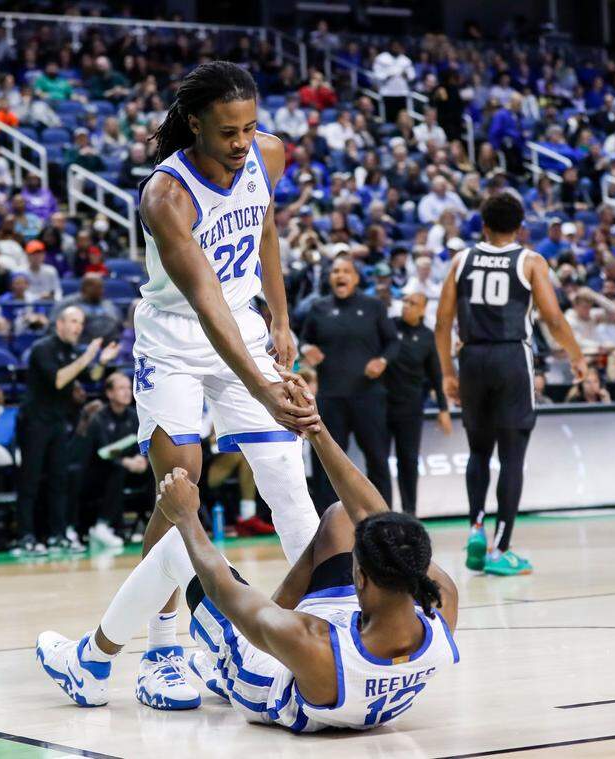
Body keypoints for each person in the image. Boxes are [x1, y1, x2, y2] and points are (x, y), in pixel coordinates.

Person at [36, 373, 459, 731]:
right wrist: (315, 427)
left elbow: (224, 588)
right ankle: (222, 642)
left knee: (175, 547)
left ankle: (90, 661)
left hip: (267, 676)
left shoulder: (312, 646)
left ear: (360, 578)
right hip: (340, 638)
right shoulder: (441, 610)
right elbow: (371, 515)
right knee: (339, 517)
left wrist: (187, 517)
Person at [131, 61, 320, 710]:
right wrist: (265, 387)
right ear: (193, 124)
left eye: (250, 127)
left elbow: (264, 225)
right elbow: (207, 303)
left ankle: (322, 622)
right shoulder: (167, 196)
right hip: (177, 337)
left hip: (242, 321)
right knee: (177, 487)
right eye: (228, 131)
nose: (243, 143)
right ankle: (162, 650)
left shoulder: (268, 154)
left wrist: (282, 315)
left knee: (288, 479)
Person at [435, 193, 587, 576]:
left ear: (482, 225)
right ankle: (501, 549)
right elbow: (552, 318)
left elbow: (441, 324)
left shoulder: (461, 259)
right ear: (521, 227)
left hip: (471, 358)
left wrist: (447, 374)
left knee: (478, 452)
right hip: (510, 359)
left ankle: (475, 526)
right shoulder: (530, 260)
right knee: (512, 456)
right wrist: (577, 356)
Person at [15, 306, 118, 555]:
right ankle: (26, 536)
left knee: (59, 481)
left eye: (80, 323)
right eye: (73, 321)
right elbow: (60, 379)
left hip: (58, 422)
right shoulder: (43, 348)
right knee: (30, 481)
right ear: (59, 324)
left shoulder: (71, 351)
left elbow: (90, 376)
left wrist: (101, 362)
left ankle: (58, 534)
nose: (78, 327)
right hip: (34, 423)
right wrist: (87, 356)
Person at [299, 254, 399, 509]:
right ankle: (327, 522)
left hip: (368, 395)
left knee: (377, 459)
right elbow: (304, 340)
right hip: (331, 398)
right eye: (335, 271)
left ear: (355, 278)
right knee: (327, 463)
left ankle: (384, 517)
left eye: (345, 271)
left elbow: (393, 342)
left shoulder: (374, 305)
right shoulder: (319, 307)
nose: (340, 275)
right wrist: (307, 348)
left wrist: (383, 362)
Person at [383, 292, 451, 515]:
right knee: (379, 462)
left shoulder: (427, 337)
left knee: (408, 461)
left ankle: (409, 511)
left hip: (410, 408)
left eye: (412, 304)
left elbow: (436, 375)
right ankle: (380, 511)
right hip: (381, 405)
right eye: (404, 302)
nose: (406, 306)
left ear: (422, 310)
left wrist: (443, 409)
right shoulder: (390, 326)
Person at [82, 372, 153, 547]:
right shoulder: (99, 418)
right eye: (121, 388)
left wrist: (141, 458)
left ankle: (157, 521)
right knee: (116, 470)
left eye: (129, 388)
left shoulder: (134, 415)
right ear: (109, 393)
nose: (127, 392)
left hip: (132, 468)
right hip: (102, 471)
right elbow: (102, 453)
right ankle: (103, 525)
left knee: (156, 470)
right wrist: (125, 462)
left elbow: (142, 443)